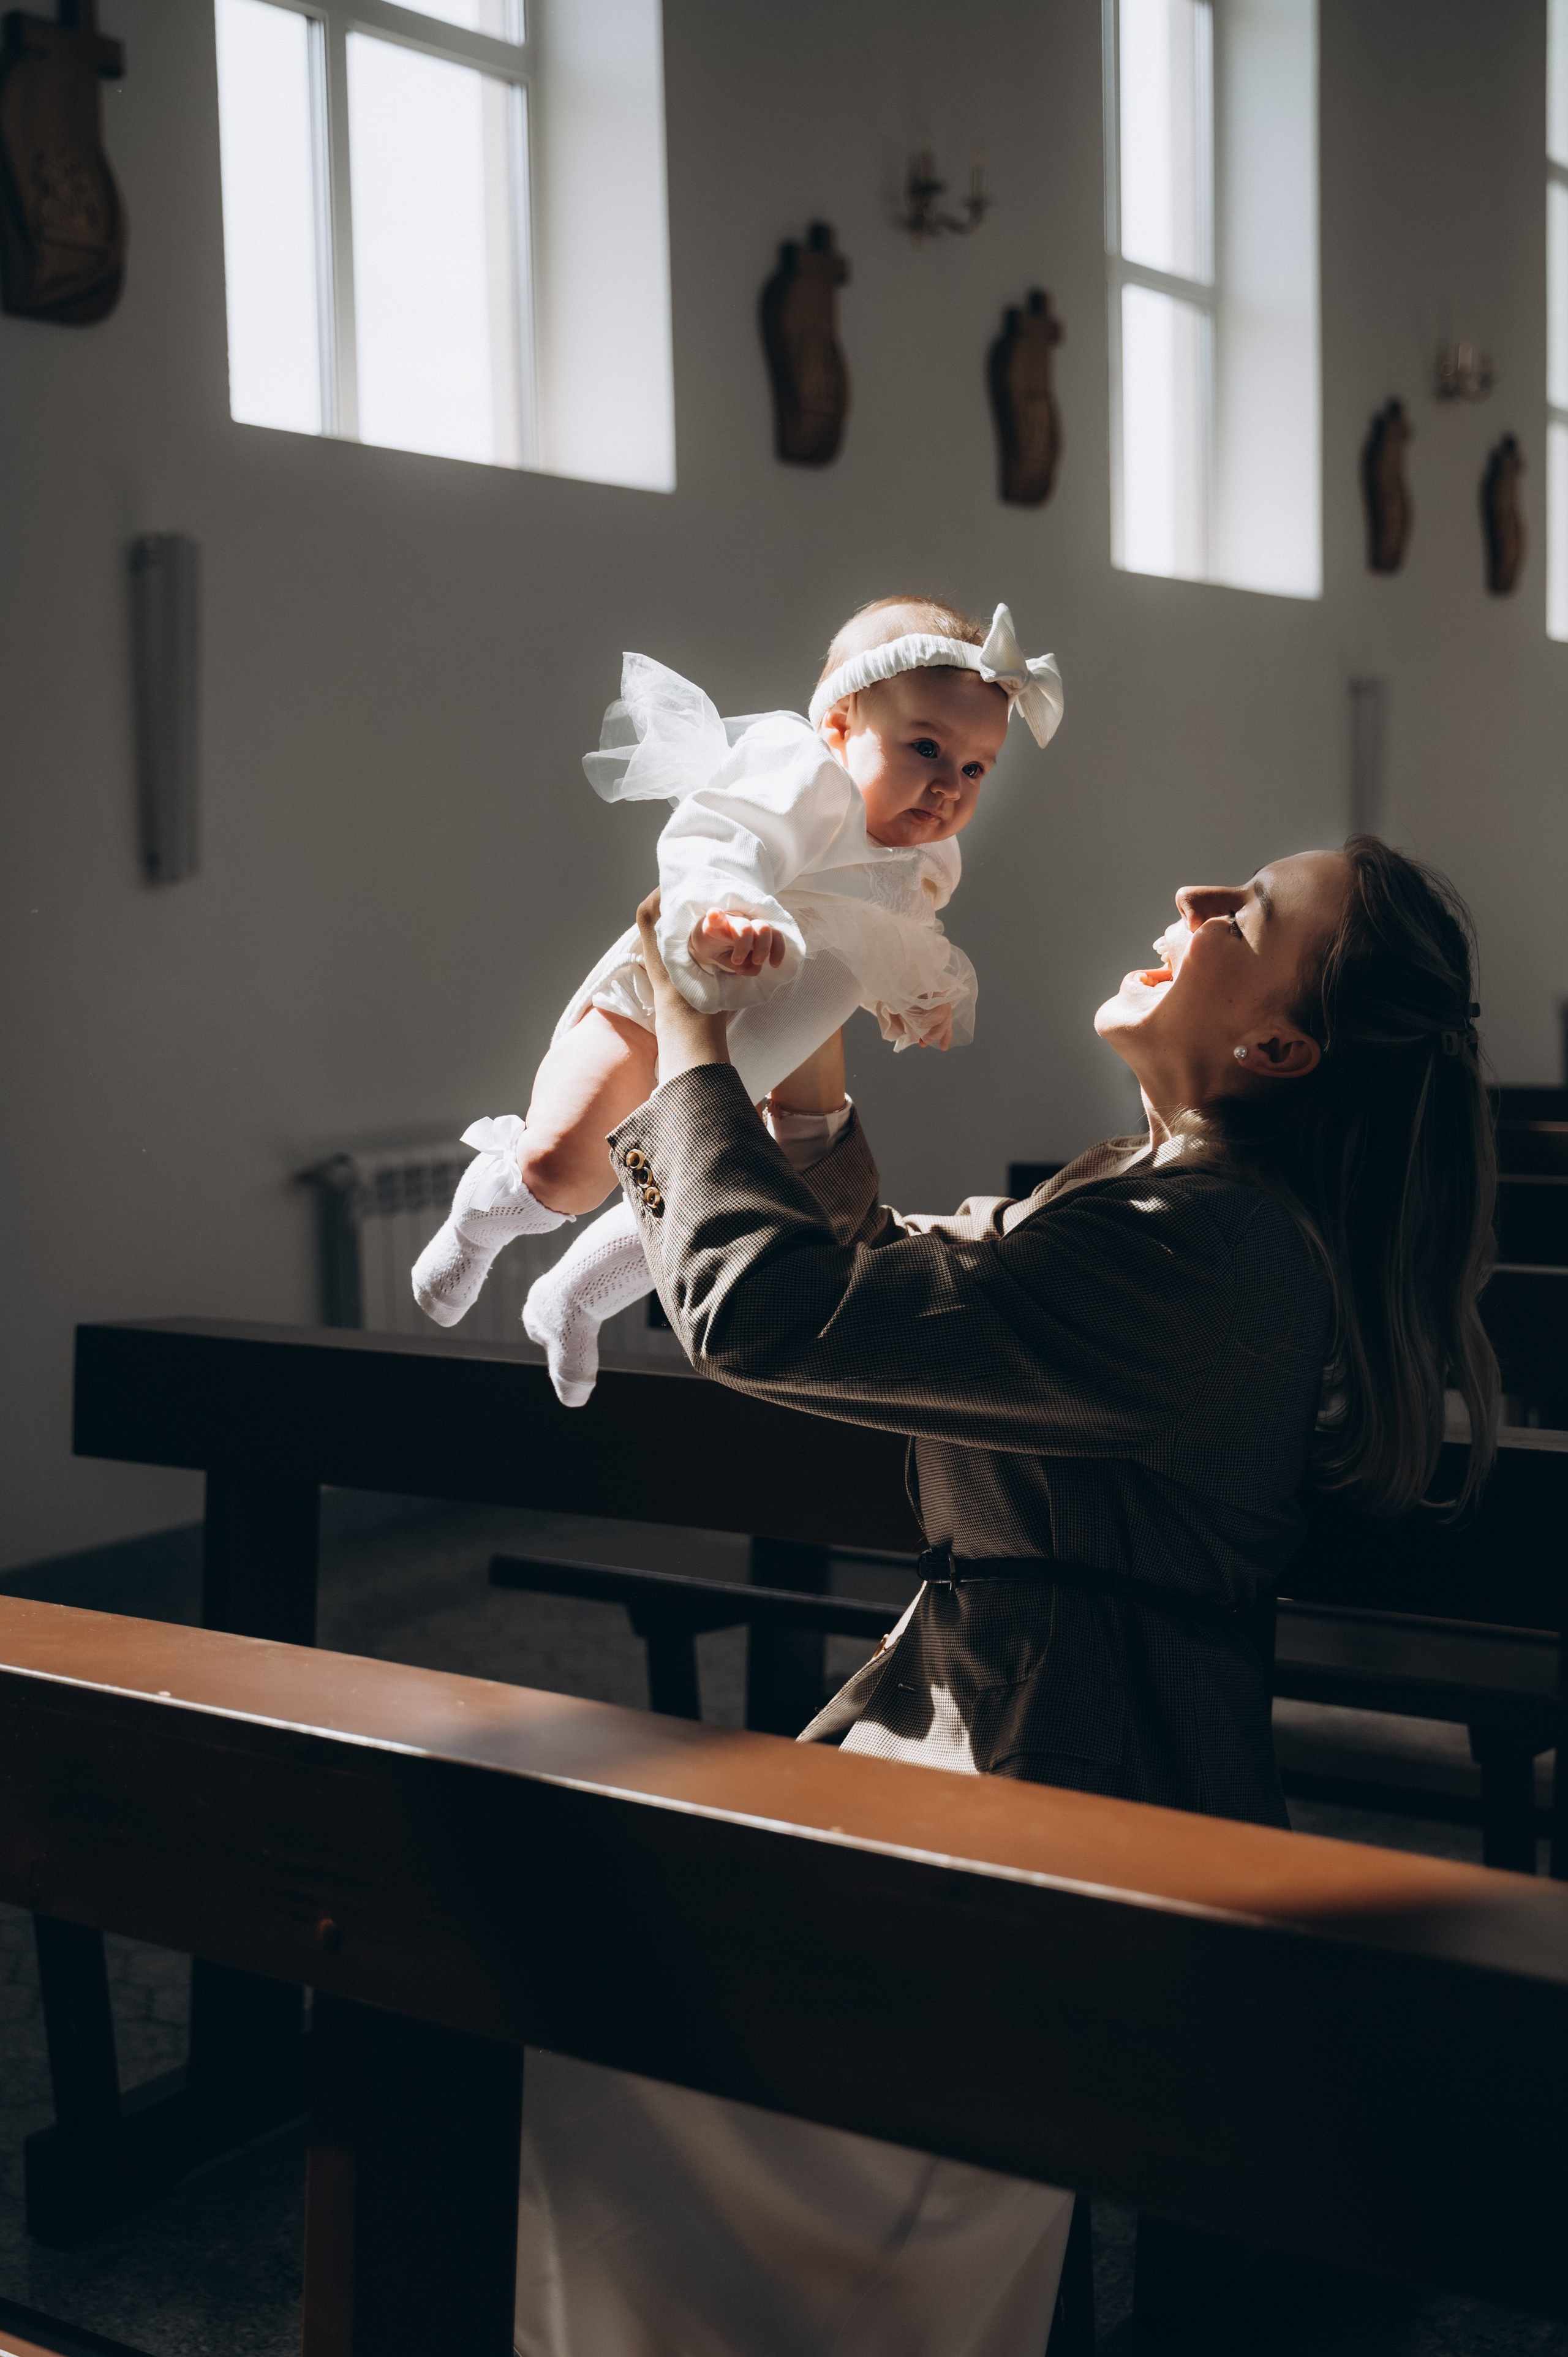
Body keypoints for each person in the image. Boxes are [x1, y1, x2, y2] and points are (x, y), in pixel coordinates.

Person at [513, 834, 1498, 2357]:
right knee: (621, 1988)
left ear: (1280, 1046)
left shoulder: (1210, 1243)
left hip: (1074, 1764)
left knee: (651, 2025)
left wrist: (688, 1036)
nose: (1192, 897)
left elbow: (764, 1312)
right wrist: (805, 1034)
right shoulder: (1152, 1192)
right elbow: (882, 1279)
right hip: (1001, 1705)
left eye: (1245, 914)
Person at [410, 595, 1063, 1403]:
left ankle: (574, 1299)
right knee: (565, 1167)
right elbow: (719, 836)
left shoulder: (933, 860)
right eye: (925, 747)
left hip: (757, 1054)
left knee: (693, 1200)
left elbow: (891, 941)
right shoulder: (803, 773)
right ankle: (476, 1225)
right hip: (668, 1001)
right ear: (840, 726)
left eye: (974, 769)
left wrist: (913, 997)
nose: (947, 787)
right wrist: (727, 912)